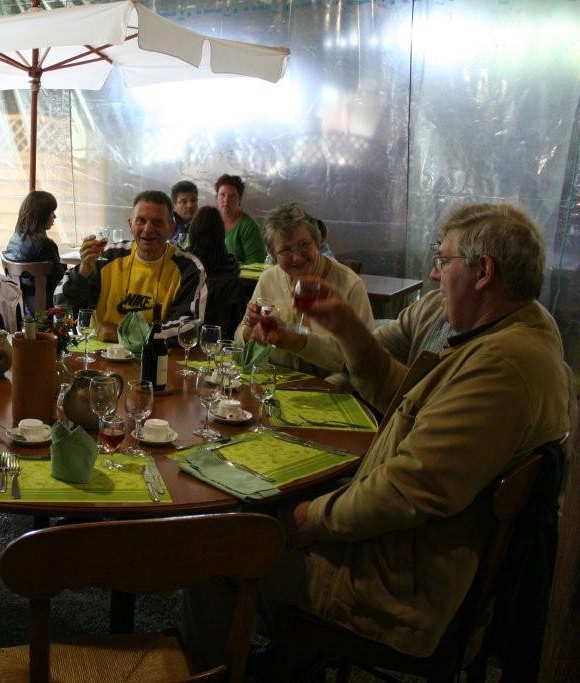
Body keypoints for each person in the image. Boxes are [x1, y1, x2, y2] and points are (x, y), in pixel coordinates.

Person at [186, 202, 571, 671]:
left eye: (442, 260)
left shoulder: (505, 368)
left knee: (212, 548)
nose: (432, 273)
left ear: (483, 271)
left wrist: (308, 518)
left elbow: (409, 490)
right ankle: (287, 657)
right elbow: (398, 390)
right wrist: (347, 328)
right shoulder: (476, 324)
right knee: (263, 502)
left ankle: (217, 669)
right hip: (400, 540)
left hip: (398, 582)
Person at [238, 203, 372, 378]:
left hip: (331, 387)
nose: (297, 257)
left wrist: (299, 342)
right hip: (274, 383)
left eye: (304, 245)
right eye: (286, 250)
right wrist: (250, 330)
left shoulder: (350, 285)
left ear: (317, 242)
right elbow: (239, 339)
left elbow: (364, 360)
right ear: (272, 255)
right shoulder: (269, 279)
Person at [57, 190, 206, 342]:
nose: (148, 229)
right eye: (141, 220)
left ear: (171, 228)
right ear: (130, 224)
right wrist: (82, 273)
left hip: (154, 358)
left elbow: (188, 328)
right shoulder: (108, 257)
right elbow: (61, 306)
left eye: (157, 222)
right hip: (100, 355)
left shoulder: (189, 268)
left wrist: (125, 334)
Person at [1, 190, 65, 314]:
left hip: (19, 309)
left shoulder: (15, 238)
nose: (55, 217)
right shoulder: (45, 246)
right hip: (46, 311)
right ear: (41, 215)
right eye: (52, 212)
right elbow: (61, 284)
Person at [186, 206, 246, 338]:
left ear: (193, 232)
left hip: (185, 338)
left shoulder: (186, 268)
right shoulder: (230, 269)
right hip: (221, 341)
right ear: (222, 233)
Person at [215, 173, 266, 264]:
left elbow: (256, 265)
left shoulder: (249, 227)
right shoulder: (208, 222)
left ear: (240, 199)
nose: (226, 200)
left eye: (232, 196)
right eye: (222, 195)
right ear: (216, 197)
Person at [170, 180, 198, 246]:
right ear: (174, 205)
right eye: (184, 201)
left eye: (193, 200)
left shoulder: (204, 227)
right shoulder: (165, 226)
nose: (190, 205)